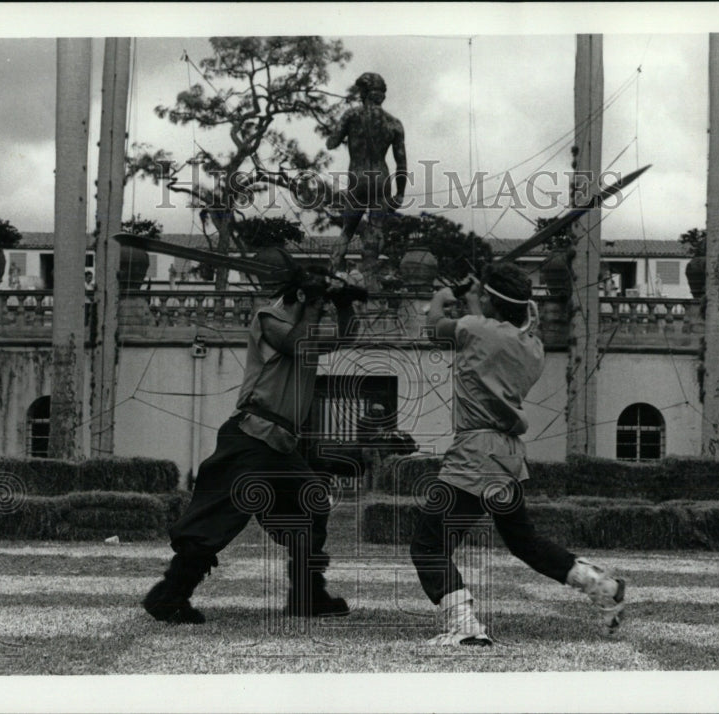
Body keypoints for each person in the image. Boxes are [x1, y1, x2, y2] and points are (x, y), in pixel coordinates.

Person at [410, 263, 626, 646]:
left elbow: (434, 329)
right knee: (524, 542)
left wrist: (442, 299)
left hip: (474, 455)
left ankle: (465, 627)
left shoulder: (477, 329)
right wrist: (479, 297)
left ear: (492, 302)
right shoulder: (532, 346)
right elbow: (491, 328)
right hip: (508, 456)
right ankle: (602, 585)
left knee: (429, 545)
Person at [143, 263, 360, 624]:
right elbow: (295, 344)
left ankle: (307, 595)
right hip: (251, 436)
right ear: (303, 297)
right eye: (317, 301)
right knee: (217, 520)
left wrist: (345, 304)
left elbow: (343, 338)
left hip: (281, 445)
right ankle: (169, 596)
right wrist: (315, 304)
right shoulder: (268, 317)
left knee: (313, 504)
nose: (321, 308)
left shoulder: (304, 322)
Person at [325, 72, 407, 270]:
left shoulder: (352, 116)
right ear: (382, 96)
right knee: (376, 229)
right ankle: (370, 278)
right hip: (381, 178)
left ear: (363, 93)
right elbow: (401, 163)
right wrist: (400, 193)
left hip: (358, 177)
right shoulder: (394, 123)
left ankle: (333, 271)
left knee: (348, 230)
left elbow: (331, 143)